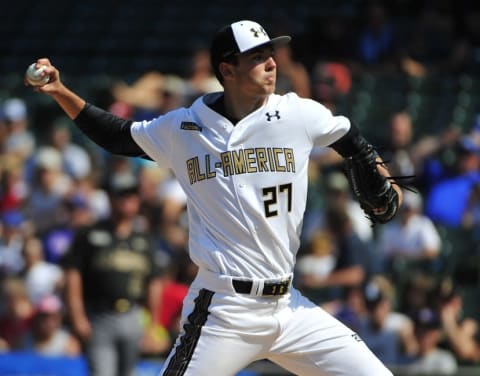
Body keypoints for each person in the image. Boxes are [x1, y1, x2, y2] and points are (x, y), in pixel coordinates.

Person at [27, 20, 403, 376]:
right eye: (257, 57)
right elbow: (118, 136)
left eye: (270, 54)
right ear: (227, 69)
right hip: (225, 308)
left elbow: (353, 141)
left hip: (290, 305)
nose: (271, 63)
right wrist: (60, 91)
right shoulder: (185, 127)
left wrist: (381, 176)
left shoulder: (297, 114)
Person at [60, 180, 163, 376]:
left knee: (129, 373)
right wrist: (77, 317)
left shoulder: (144, 240)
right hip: (99, 315)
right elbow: (72, 275)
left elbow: (154, 282)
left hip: (133, 315)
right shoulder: (90, 234)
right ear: (111, 199)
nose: (127, 201)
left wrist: (153, 324)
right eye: (122, 196)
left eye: (132, 196)